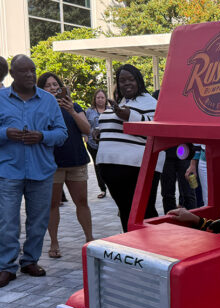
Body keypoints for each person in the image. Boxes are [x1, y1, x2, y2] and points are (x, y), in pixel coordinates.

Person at [0, 55, 67, 287]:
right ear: (12, 75)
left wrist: (42, 136)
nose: (30, 75)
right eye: (24, 71)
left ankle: (30, 261)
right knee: (8, 221)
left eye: (33, 70)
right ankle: (6, 266)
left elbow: (62, 133)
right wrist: (4, 133)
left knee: (38, 220)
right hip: (9, 170)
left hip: (41, 171)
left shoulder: (48, 101)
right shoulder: (0, 99)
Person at [96, 64, 163, 232]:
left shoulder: (151, 102)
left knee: (144, 212)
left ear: (139, 81)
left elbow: (158, 130)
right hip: (111, 168)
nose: (127, 84)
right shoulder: (121, 103)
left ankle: (149, 247)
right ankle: (133, 246)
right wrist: (99, 130)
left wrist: (129, 116)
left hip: (138, 168)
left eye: (131, 79)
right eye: (122, 80)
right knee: (126, 212)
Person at [37, 72, 94, 258]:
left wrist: (71, 110)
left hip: (76, 161)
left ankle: (90, 239)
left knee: (82, 202)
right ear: (41, 89)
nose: (53, 88)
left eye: (56, 85)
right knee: (52, 204)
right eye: (48, 85)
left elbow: (87, 130)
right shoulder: (39, 108)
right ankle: (54, 243)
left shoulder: (74, 106)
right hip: (52, 164)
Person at [85, 89, 108, 199]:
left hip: (108, 143)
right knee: (97, 166)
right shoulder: (89, 111)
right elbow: (85, 125)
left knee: (108, 166)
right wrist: (85, 136)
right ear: (95, 99)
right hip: (93, 143)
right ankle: (102, 189)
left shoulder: (111, 110)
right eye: (98, 97)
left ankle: (112, 186)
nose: (100, 99)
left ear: (106, 99)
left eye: (102, 97)